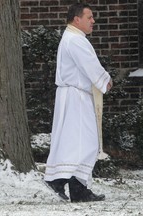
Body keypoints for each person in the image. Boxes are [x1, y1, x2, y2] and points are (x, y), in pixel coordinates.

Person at [44, 3, 113, 203]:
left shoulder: (73, 37)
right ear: (77, 19)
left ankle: (78, 187)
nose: (93, 21)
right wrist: (105, 81)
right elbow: (90, 65)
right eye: (89, 17)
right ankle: (59, 179)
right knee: (82, 141)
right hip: (76, 96)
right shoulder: (75, 40)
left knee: (80, 141)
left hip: (75, 95)